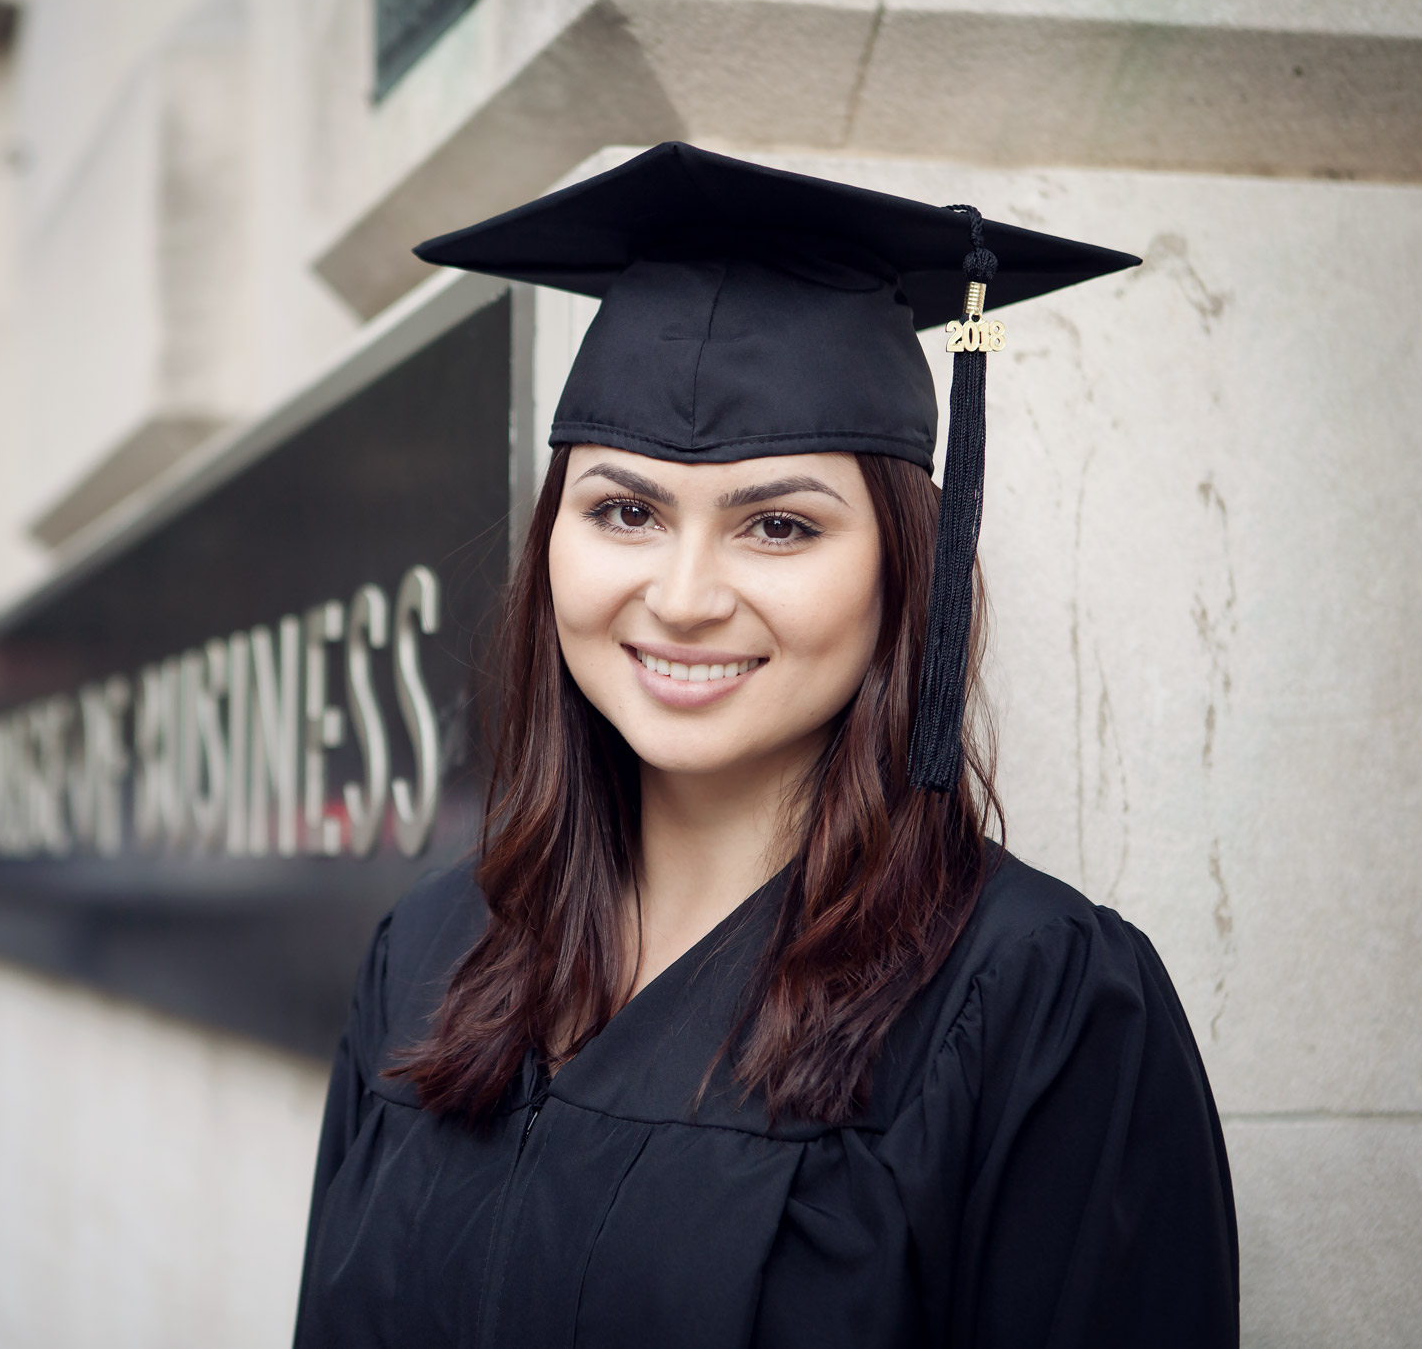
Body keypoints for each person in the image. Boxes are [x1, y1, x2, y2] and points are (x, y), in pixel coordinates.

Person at [292, 144, 1238, 1348]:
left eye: (779, 526)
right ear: (553, 546)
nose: (683, 596)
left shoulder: (1034, 1004)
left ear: (904, 569)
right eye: (625, 511)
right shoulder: (431, 953)